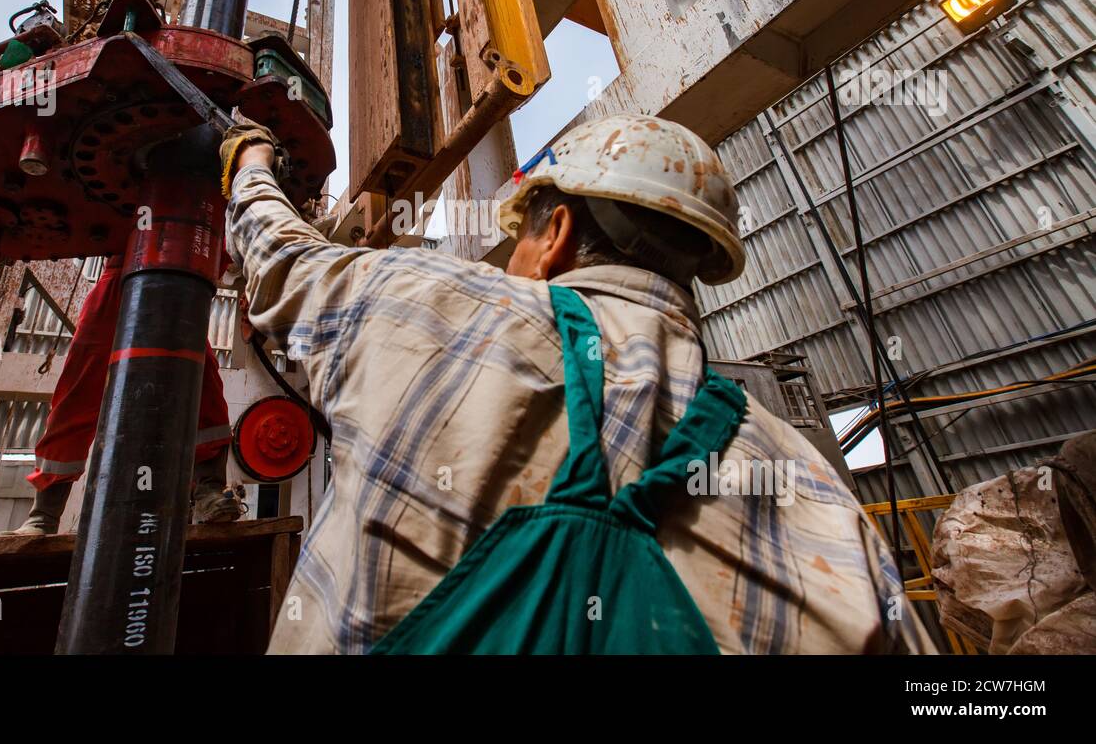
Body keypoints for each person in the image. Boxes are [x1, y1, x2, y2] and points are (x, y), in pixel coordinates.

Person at [224, 113, 936, 653]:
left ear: (556, 232)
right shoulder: (811, 485)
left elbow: (280, 263)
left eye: (520, 240)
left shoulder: (432, 306)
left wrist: (251, 159)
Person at [3, 254, 244, 535]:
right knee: (79, 391)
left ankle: (209, 489)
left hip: (180, 281)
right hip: (124, 273)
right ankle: (44, 513)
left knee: (205, 388)